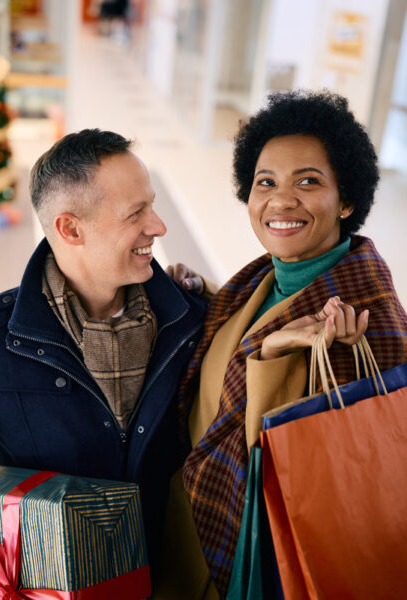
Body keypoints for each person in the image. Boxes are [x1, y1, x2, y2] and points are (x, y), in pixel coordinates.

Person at [0, 129, 206, 600]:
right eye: (136, 213)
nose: (158, 226)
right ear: (70, 228)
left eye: (151, 205)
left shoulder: (189, 320)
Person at [166, 90, 407, 598]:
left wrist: (273, 355)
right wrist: (202, 293)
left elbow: (303, 471)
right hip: (196, 532)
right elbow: (246, 335)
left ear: (346, 200)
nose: (281, 200)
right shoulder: (256, 284)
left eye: (308, 182)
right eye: (266, 182)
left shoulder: (362, 319)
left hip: (261, 562)